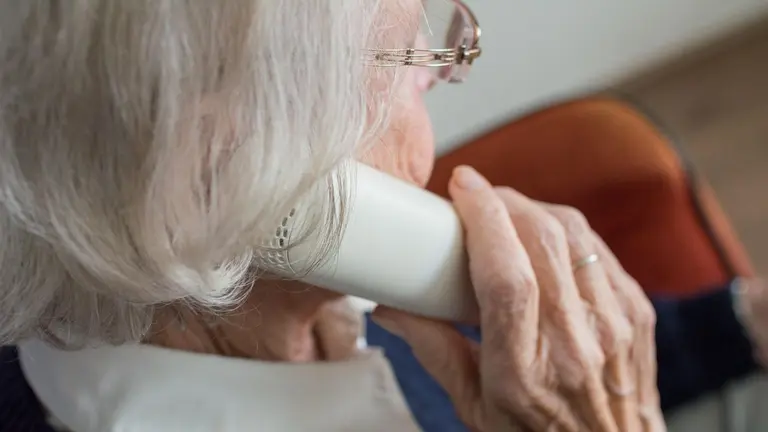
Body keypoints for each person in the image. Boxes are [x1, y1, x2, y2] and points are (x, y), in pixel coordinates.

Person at [0, 0, 667, 430]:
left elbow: (561, 367)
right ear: (226, 173)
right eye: (412, 54)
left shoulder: (326, 297)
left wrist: (710, 329)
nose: (439, 76)